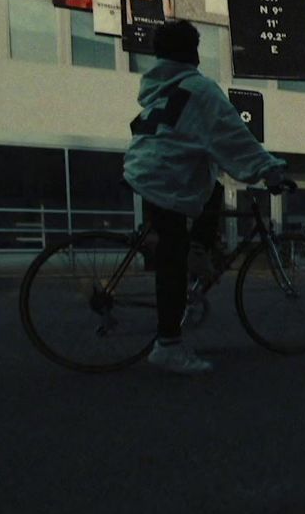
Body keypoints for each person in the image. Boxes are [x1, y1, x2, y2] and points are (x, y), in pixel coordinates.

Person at [123, 21, 290, 375]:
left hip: (146, 169)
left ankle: (198, 250)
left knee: (210, 186)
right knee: (172, 255)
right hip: (164, 176)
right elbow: (235, 136)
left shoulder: (162, 88)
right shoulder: (199, 90)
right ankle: (167, 345)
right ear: (193, 52)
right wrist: (270, 170)